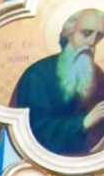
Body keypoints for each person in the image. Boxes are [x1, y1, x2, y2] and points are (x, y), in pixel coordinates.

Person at [10, 10, 104, 159]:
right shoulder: (38, 74)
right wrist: (84, 122)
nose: (92, 43)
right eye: (86, 33)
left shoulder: (98, 75)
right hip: (42, 160)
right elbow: (35, 130)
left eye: (98, 37)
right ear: (69, 34)